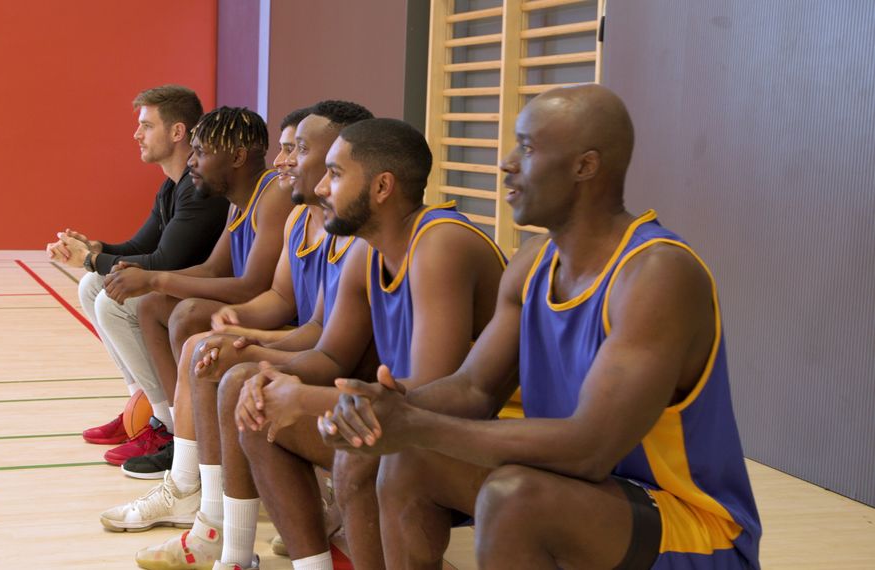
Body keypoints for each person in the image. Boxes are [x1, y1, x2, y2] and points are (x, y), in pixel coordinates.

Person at [320, 84, 762, 570]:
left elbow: (588, 449)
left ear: (584, 167)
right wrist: (384, 409)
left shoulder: (658, 274)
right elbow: (473, 388)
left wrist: (417, 424)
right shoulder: (531, 263)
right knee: (407, 458)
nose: (506, 163)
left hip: (692, 528)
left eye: (527, 148)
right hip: (588, 493)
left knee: (515, 498)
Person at [234, 118, 507, 570]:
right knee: (252, 396)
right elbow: (330, 355)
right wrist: (272, 377)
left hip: (483, 438)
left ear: (382, 187)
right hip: (417, 422)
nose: (321, 187)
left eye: (336, 174)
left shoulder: (441, 245)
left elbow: (433, 396)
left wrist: (302, 397)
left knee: (361, 452)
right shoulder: (368, 249)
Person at [120, 102, 374, 570]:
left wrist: (254, 343)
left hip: (366, 387)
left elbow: (325, 340)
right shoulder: (303, 218)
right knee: (206, 347)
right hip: (334, 361)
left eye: (296, 148)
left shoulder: (351, 232)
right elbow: (279, 298)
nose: (282, 160)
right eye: (284, 148)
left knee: (230, 369)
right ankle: (210, 521)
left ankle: (223, 529)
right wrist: (239, 323)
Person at [45, 85, 228, 456]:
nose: (136, 134)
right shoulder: (170, 187)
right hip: (175, 286)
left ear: (177, 133)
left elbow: (163, 262)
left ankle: (167, 426)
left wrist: (90, 258)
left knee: (112, 301)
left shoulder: (200, 190)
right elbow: (138, 249)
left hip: (206, 295)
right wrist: (94, 249)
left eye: (146, 125)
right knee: (92, 286)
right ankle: (140, 409)